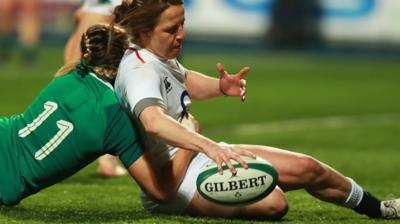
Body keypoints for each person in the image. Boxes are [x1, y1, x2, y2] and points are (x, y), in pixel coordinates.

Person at [112, 0, 400, 220]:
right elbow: (153, 122)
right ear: (145, 31)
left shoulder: (156, 55)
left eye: (183, 24)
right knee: (275, 203)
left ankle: (380, 208)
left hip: (197, 157)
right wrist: (210, 147)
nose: (182, 35)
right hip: (175, 184)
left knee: (307, 167)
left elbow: (183, 79)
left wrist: (220, 87)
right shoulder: (139, 69)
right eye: (172, 29)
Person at [0, 24, 195, 206]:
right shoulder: (115, 118)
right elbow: (161, 192)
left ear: (87, 54)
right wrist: (189, 136)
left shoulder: (71, 74)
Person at [63, 0, 128, 176]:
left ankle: (51, 139)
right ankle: (108, 156)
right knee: (106, 73)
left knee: (74, 71)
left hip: (96, 9)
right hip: (105, 9)